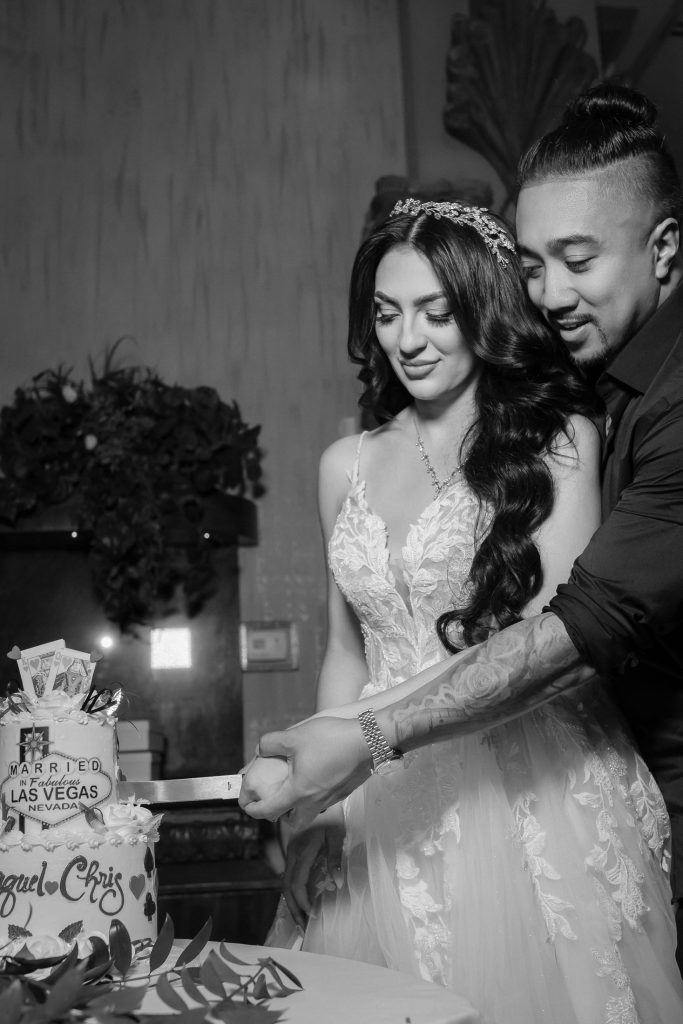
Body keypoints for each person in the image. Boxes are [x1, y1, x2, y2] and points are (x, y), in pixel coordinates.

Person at [240, 83, 683, 993]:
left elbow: (573, 636)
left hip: (531, 781)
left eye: (437, 311)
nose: (408, 339)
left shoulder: (564, 436)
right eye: (386, 312)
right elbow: (344, 651)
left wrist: (358, 741)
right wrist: (321, 794)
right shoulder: (345, 465)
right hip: (386, 789)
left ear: (479, 309)